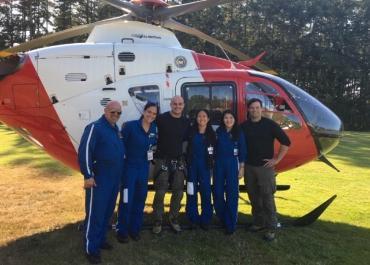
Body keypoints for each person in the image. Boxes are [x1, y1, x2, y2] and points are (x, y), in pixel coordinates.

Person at [78, 101, 125, 264]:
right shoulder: (95, 127)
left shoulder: (115, 129)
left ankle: (101, 239)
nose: (116, 115)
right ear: (105, 111)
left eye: (119, 113)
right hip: (100, 179)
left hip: (114, 179)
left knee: (107, 212)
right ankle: (91, 248)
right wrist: (88, 175)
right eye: (113, 112)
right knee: (95, 214)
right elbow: (84, 151)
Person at [241, 98, 291, 241]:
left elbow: (286, 142)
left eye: (257, 108)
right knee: (254, 197)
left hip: (265, 168)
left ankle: (271, 228)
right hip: (249, 167)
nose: (255, 110)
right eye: (252, 108)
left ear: (261, 109)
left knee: (267, 198)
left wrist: (277, 160)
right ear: (248, 110)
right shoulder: (244, 126)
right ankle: (258, 222)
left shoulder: (270, 125)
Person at [116, 102, 158, 243]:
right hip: (130, 168)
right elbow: (121, 147)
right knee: (127, 199)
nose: (151, 115)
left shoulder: (154, 128)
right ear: (144, 111)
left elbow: (153, 146)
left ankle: (134, 230)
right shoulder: (130, 126)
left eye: (154, 113)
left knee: (140, 199)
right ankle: (122, 230)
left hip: (143, 169)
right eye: (149, 112)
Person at [152, 96, 190, 234]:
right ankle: (157, 220)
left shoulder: (186, 121)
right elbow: (148, 126)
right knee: (160, 192)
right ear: (170, 104)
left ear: (183, 105)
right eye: (175, 104)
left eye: (180, 104)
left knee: (178, 192)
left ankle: (174, 219)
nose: (177, 106)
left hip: (178, 161)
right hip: (162, 159)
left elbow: (187, 141)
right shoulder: (161, 118)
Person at [213, 110, 246, 235]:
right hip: (219, 164)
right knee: (217, 192)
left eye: (231, 117)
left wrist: (242, 167)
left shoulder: (239, 132)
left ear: (234, 119)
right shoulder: (218, 132)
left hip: (233, 164)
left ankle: (231, 223)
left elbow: (243, 150)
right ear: (223, 120)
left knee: (232, 193)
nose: (228, 120)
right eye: (226, 118)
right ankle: (222, 217)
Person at [185, 109, 216, 230]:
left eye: (204, 116)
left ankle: (206, 219)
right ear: (196, 118)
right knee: (191, 192)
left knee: (206, 193)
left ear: (208, 119)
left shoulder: (212, 135)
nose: (201, 118)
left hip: (205, 168)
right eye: (199, 116)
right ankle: (192, 219)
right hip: (192, 167)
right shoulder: (190, 133)